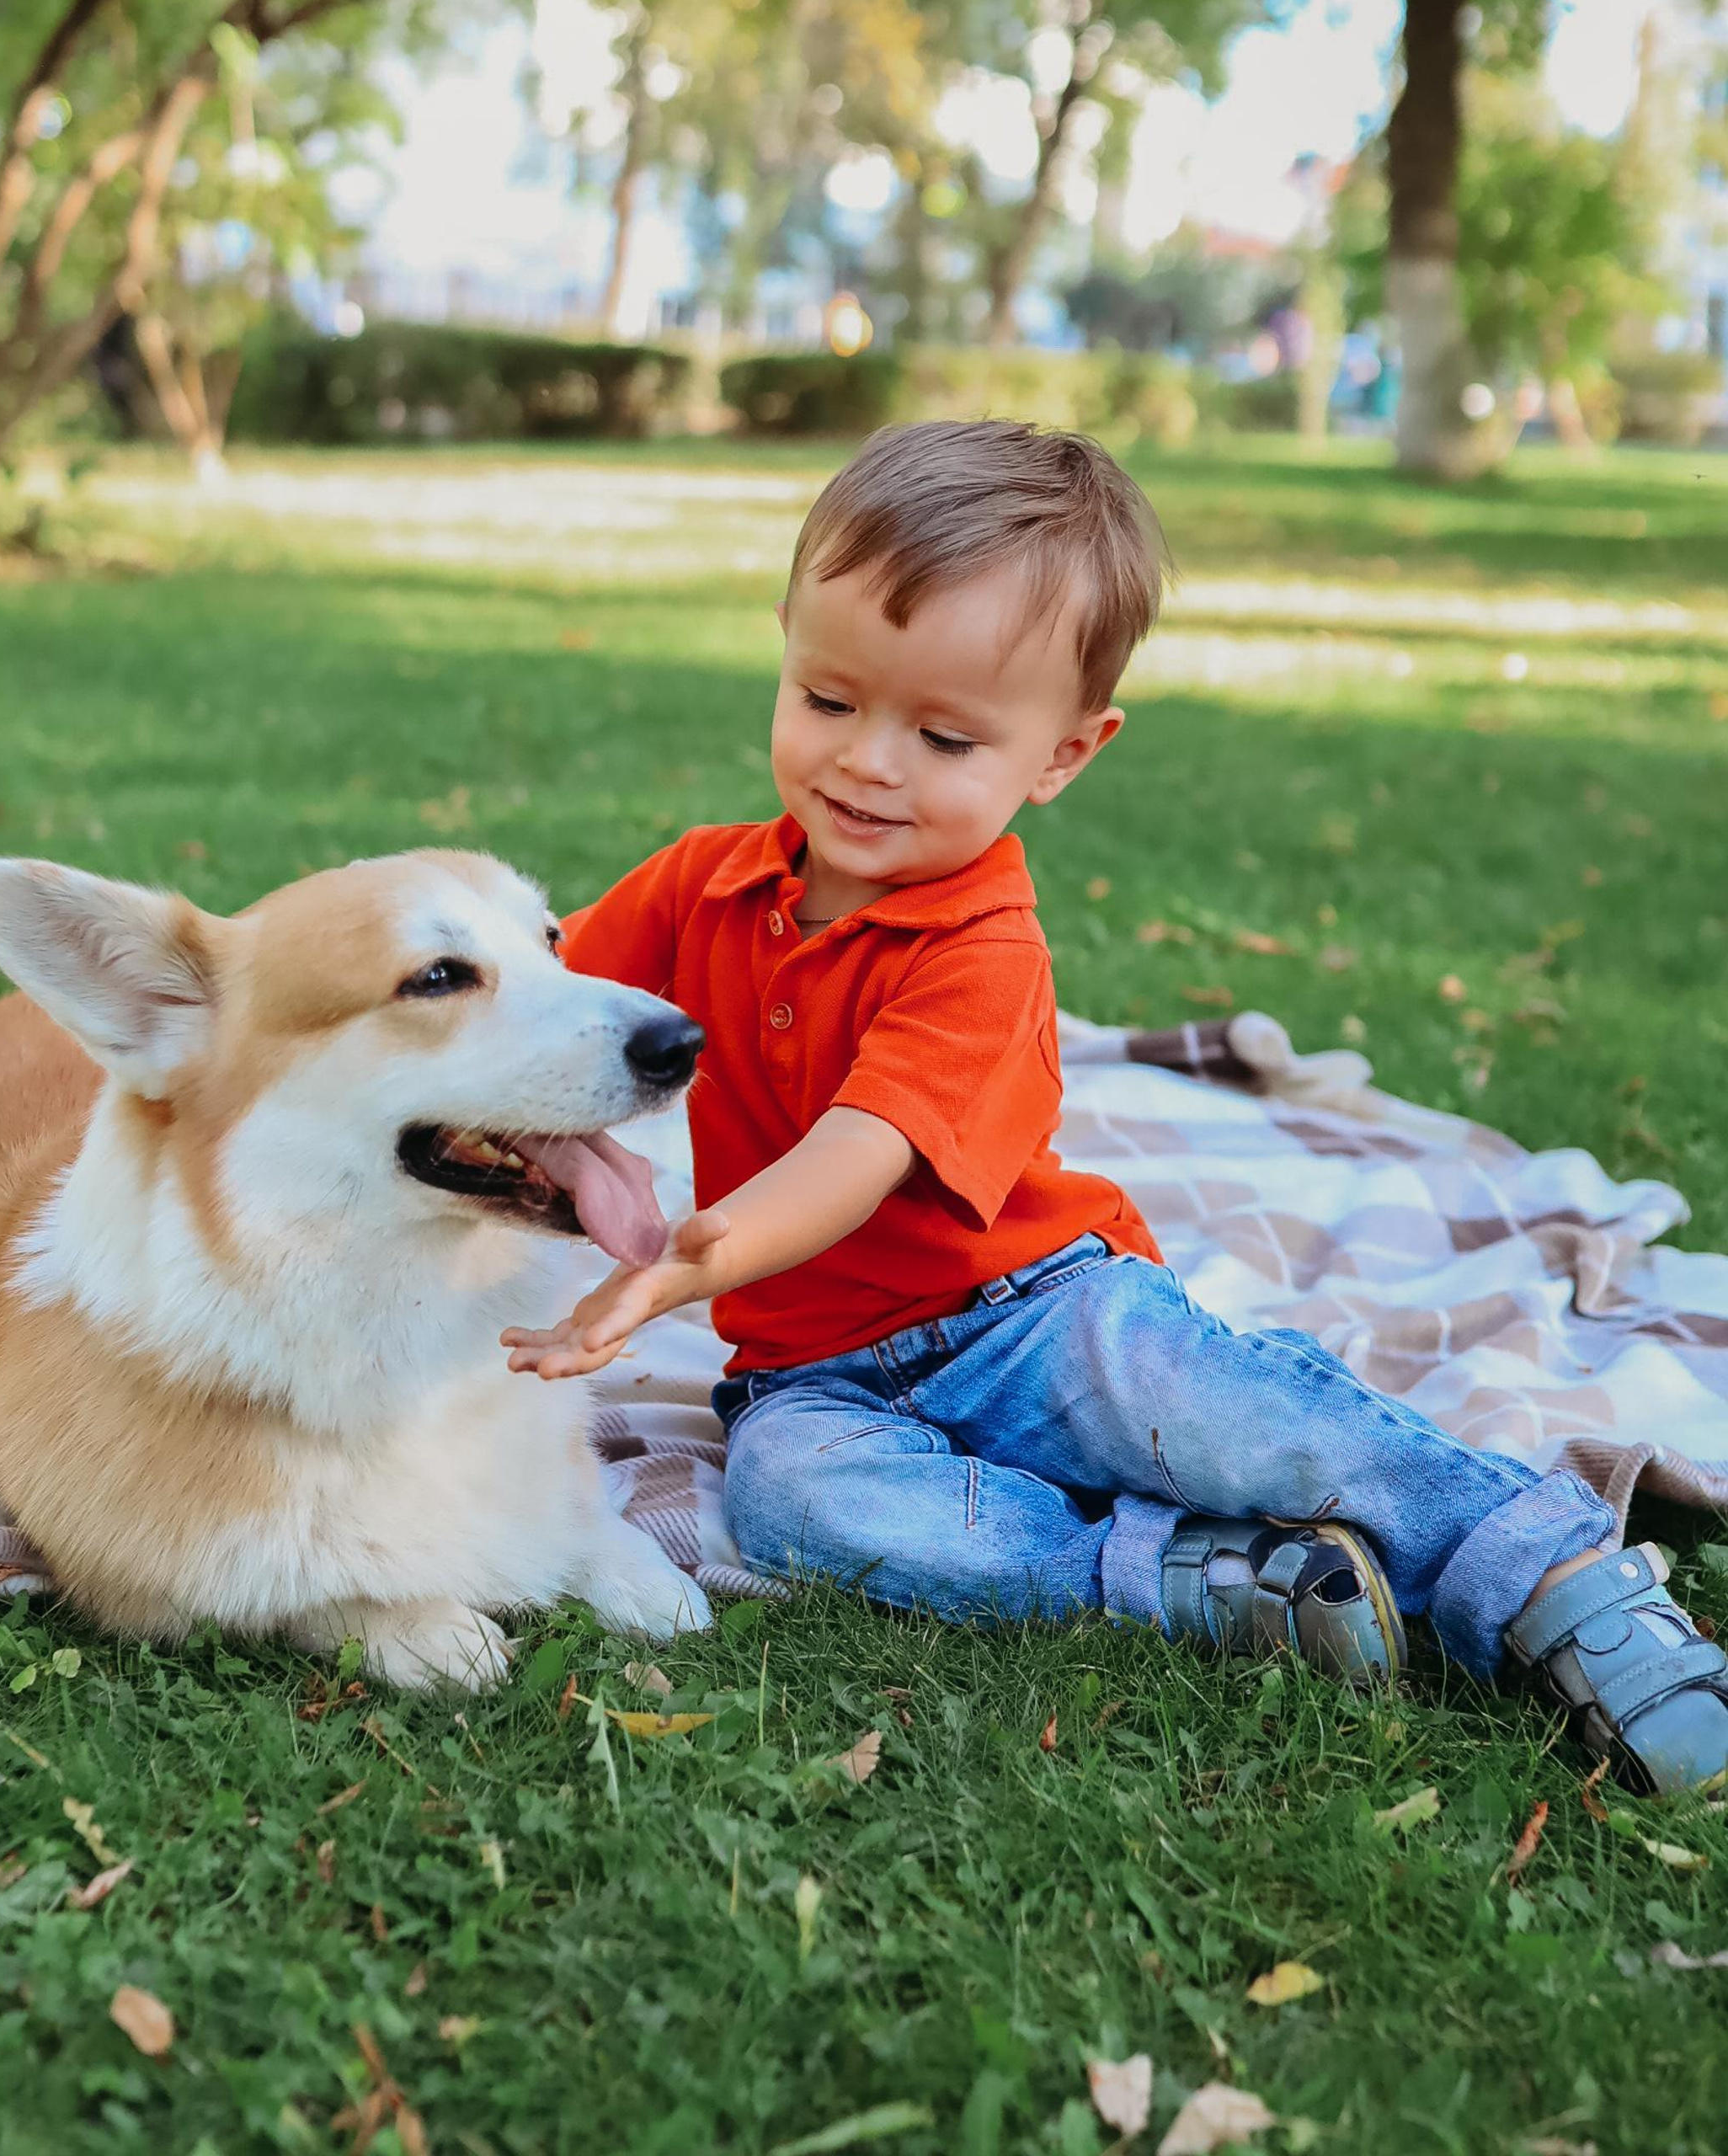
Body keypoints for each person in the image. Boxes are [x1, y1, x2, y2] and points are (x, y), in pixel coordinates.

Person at [502, 419, 1728, 1795]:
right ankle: (1192, 1579)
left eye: (946, 735)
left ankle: (1542, 1570)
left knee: (1235, 1419)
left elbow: (858, 1156)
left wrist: (678, 1261)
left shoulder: (979, 949)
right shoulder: (707, 883)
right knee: (792, 1504)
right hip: (812, 1372)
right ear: (786, 642)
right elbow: (548, 1000)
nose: (868, 764)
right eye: (829, 700)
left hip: (1031, 1316)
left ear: (1064, 755)